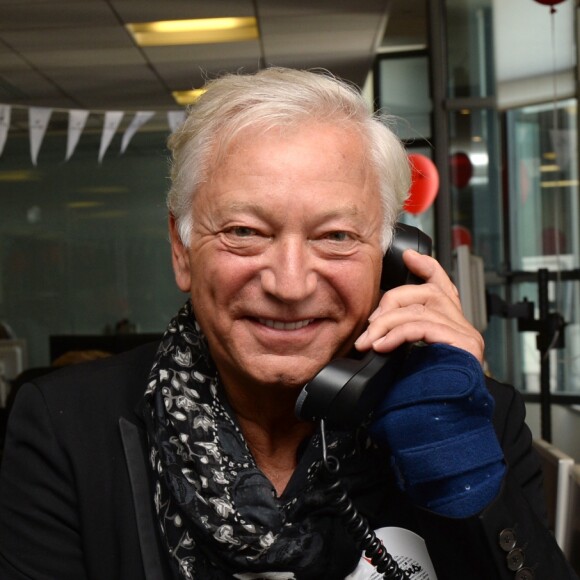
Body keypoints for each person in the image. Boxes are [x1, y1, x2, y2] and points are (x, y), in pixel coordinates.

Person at [0, 68, 576, 580]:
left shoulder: (477, 417)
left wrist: (463, 473)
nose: (290, 283)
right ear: (181, 250)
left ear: (394, 258)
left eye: (337, 237)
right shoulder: (65, 427)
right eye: (245, 232)